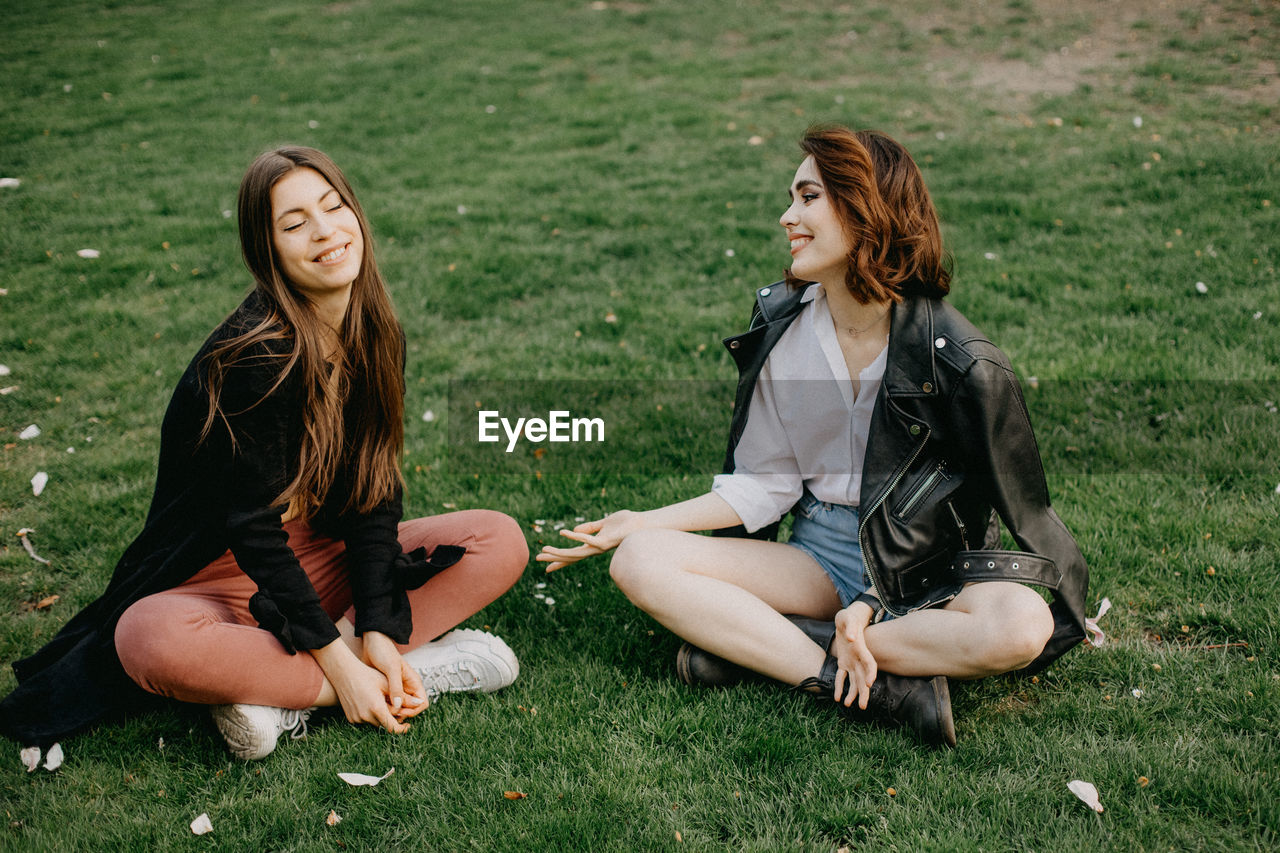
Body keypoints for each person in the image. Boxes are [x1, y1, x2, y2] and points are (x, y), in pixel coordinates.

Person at [538, 125, 1088, 748]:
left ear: (864, 210)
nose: (786, 217)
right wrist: (642, 521)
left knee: (1020, 624)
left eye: (807, 198)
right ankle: (863, 680)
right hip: (818, 556)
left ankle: (771, 647)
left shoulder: (958, 361)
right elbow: (765, 484)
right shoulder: (785, 332)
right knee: (641, 559)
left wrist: (881, 606)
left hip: (924, 571)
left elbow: (1019, 512)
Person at [0, 147, 528, 760]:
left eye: (334, 207)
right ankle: (401, 676)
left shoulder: (377, 333)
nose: (326, 230)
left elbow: (375, 491)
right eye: (295, 223)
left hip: (317, 556)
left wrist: (381, 629)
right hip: (224, 574)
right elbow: (249, 529)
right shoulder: (254, 358)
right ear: (267, 249)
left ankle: (278, 692)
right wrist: (341, 668)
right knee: (148, 637)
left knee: (498, 540)